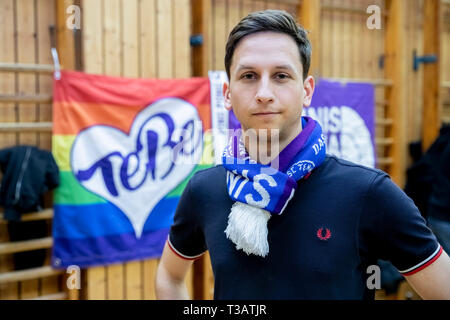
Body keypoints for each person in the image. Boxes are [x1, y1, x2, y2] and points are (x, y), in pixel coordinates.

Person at [155, 9, 450, 300]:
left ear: (307, 91)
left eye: (281, 76)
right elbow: (169, 276)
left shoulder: (368, 193)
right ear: (228, 94)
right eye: (248, 76)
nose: (264, 92)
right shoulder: (204, 190)